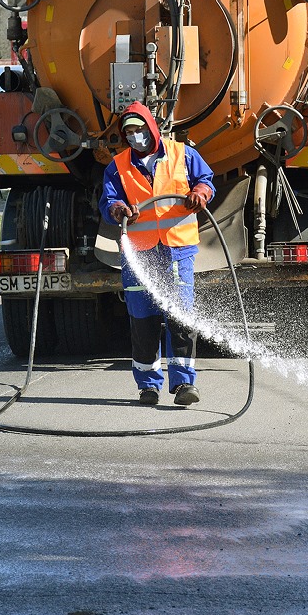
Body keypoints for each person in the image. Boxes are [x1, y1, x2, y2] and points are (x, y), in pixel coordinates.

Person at [99, 102, 214, 406]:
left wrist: (200, 194)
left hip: (177, 248)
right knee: (143, 319)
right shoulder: (118, 167)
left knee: (180, 315)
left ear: (151, 128)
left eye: (139, 130)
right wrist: (117, 209)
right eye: (129, 132)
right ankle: (148, 386)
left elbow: (206, 181)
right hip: (141, 253)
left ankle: (184, 384)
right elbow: (108, 201)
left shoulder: (183, 154)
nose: (136, 136)